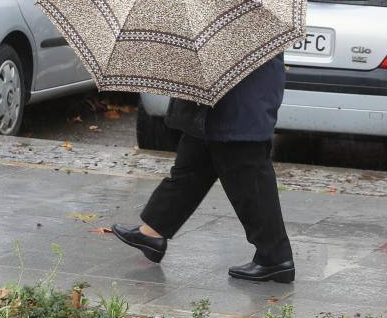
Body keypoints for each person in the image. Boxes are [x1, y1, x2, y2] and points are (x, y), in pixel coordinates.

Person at [111, 54, 295, 283]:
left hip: (239, 101)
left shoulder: (249, 25)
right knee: (192, 165)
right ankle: (153, 232)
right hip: (221, 100)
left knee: (249, 180)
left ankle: (275, 258)